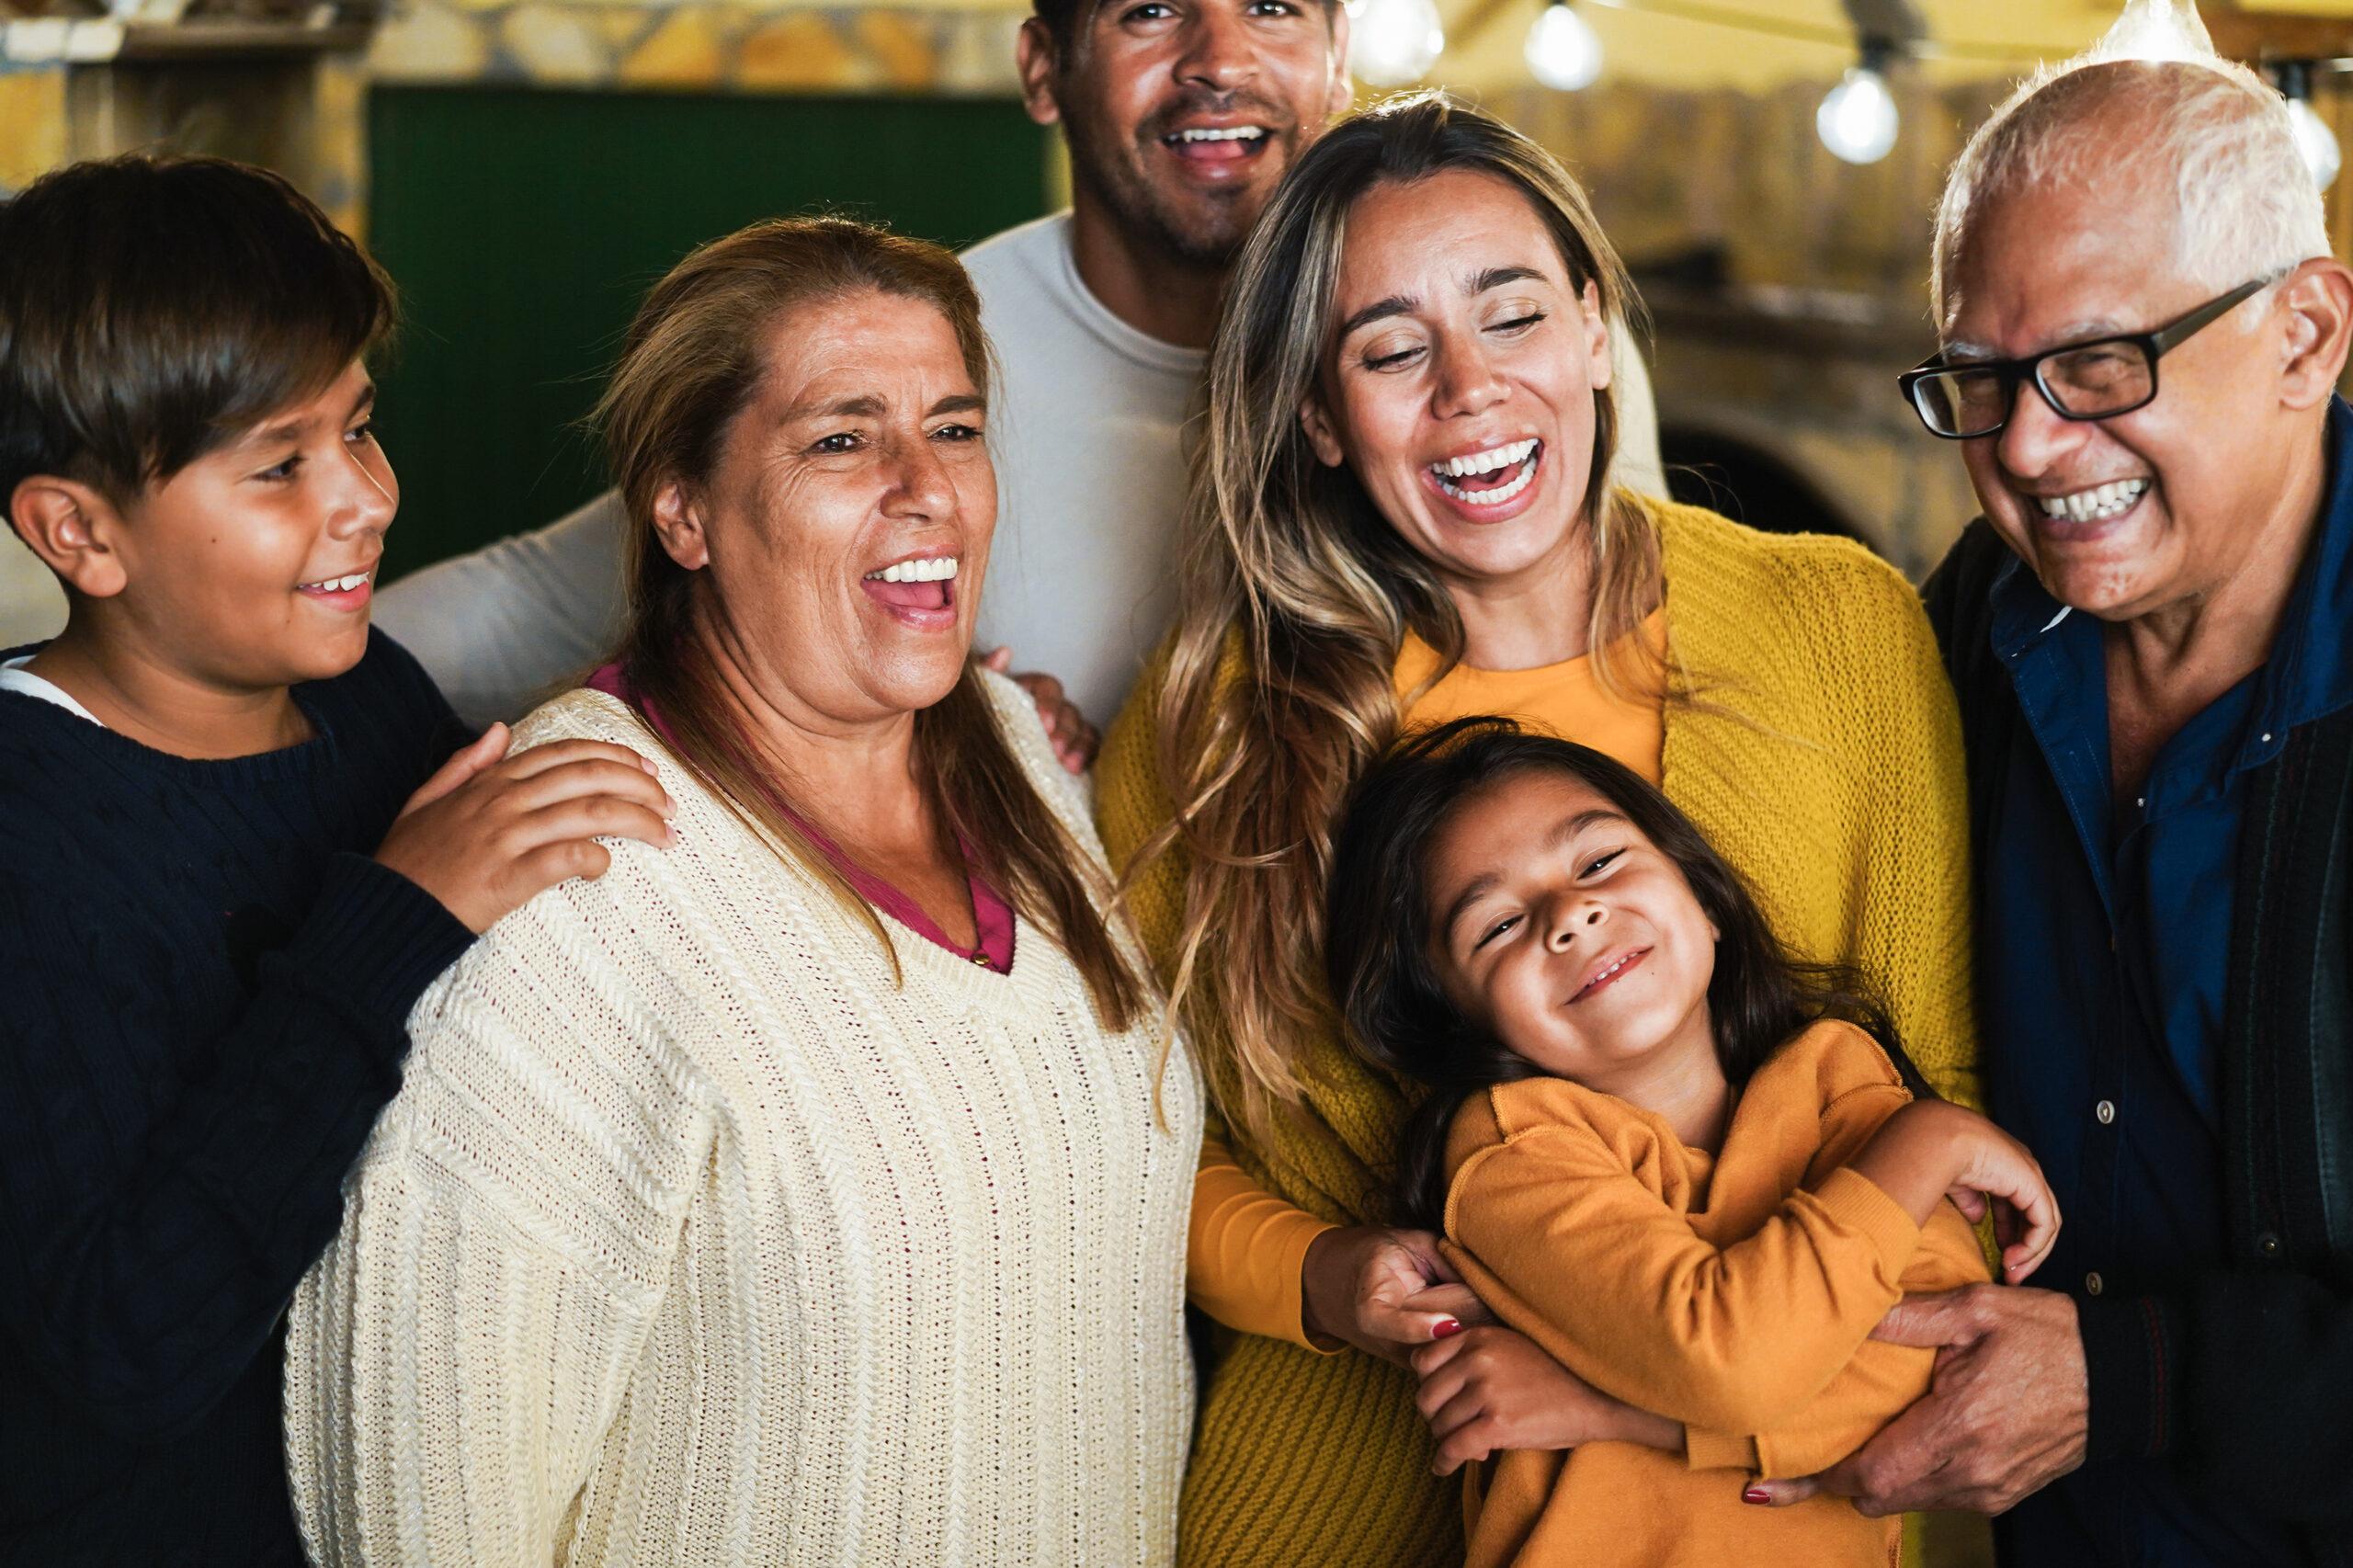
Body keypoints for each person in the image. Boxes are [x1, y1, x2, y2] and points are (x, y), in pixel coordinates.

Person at [1094, 93, 1980, 1568]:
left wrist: (1648, 1405)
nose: (1469, 391)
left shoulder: (1842, 628)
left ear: (1590, 329)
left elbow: (1945, 1132)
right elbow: (1105, 1159)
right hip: (1340, 1485)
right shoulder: (1218, 731)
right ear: (1317, 414)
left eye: (1510, 317)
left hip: (1799, 1502)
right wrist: (1320, 1275)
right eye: (1390, 350)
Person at [283, 216, 1203, 1566]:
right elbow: (425, 1501)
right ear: (684, 509)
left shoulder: (1025, 755)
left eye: (953, 428)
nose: (925, 485)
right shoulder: (578, 871)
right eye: (842, 439)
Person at [367, 0, 1668, 730]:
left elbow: (1632, 685)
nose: (1220, 58)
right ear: (1044, 68)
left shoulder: (1516, 362)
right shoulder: (914, 367)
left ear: (1335, 53)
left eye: (1273, 6)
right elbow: (518, 612)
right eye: (1151, 11)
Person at [0, 155, 669, 1565]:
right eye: (280, 465)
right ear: (78, 531)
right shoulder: (27, 831)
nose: (365, 498)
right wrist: (395, 913)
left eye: (359, 429)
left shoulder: (371, 703)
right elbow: (128, 1349)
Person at [1747, 29, 2353, 1568]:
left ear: (2305, 333)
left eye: (2098, 366)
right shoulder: (1974, 633)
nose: (2025, 443)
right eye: (1979, 379)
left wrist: (2131, 1379)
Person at [1324, 718, 2031, 1567]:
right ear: (1463, 1024)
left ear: (1702, 896)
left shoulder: (1843, 1082)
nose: (1570, 914)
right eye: (1499, 926)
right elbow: (1733, 1363)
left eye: (1598, 862)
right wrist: (1932, 1140)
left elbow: (1949, 1385)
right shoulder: (1513, 1152)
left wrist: (1608, 1408)